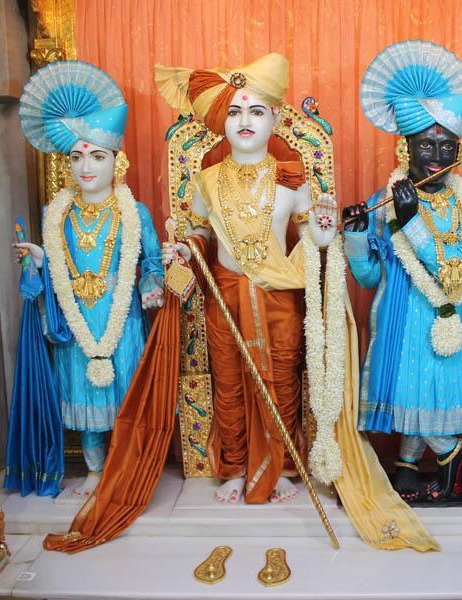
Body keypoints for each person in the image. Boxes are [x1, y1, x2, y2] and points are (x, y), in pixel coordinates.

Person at [342, 41, 462, 513]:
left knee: (433, 398)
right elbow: (368, 278)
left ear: (460, 149)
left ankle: (451, 460)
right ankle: (406, 468)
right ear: (406, 148)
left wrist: (413, 224)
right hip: (401, 323)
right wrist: (357, 238)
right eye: (426, 145)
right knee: (408, 395)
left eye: (447, 146)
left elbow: (458, 275)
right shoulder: (383, 204)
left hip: (448, 325)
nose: (437, 155)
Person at [158, 53, 339, 504]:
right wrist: (186, 249)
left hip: (279, 297)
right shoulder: (206, 180)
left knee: (281, 381)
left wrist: (322, 233)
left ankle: (282, 466)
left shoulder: (291, 179)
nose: (244, 121)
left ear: (275, 119)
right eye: (235, 112)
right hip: (225, 296)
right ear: (221, 120)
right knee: (230, 382)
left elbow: (308, 237)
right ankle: (236, 467)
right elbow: (200, 233)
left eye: (256, 111)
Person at [9, 60, 164, 499]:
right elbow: (58, 266)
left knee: (122, 391)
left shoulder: (134, 212)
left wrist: (151, 285)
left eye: (97, 156)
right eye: (77, 157)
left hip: (121, 318)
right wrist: (39, 259)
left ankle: (127, 471)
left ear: (117, 160)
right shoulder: (56, 213)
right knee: (84, 396)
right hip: (77, 319)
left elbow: (152, 261)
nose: (86, 167)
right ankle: (95, 473)